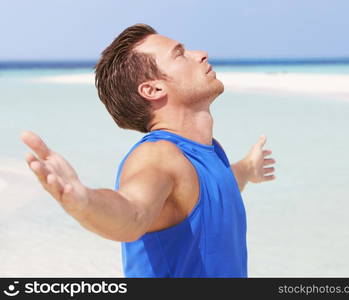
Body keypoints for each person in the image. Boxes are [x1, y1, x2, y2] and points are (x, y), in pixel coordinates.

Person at [20, 23, 276, 278]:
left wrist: (247, 168)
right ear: (153, 89)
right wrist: (85, 203)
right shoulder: (158, 156)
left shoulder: (209, 152)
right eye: (180, 54)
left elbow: (216, 187)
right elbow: (133, 212)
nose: (201, 54)